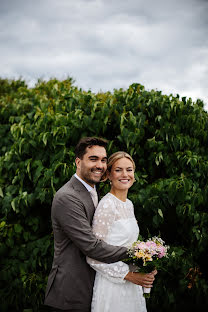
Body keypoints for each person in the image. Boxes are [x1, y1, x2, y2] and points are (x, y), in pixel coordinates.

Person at [44, 137, 156, 312]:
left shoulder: (95, 192)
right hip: (71, 292)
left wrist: (145, 263)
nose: (100, 165)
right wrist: (139, 254)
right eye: (93, 159)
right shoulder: (67, 197)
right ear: (78, 162)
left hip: (102, 284)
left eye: (103, 160)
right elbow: (91, 246)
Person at [87, 151, 157, 312]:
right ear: (109, 175)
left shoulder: (129, 204)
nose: (125, 174)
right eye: (118, 170)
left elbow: (129, 246)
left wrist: (146, 264)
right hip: (112, 286)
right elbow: (93, 256)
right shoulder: (107, 205)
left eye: (129, 169)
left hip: (133, 284)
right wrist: (130, 276)